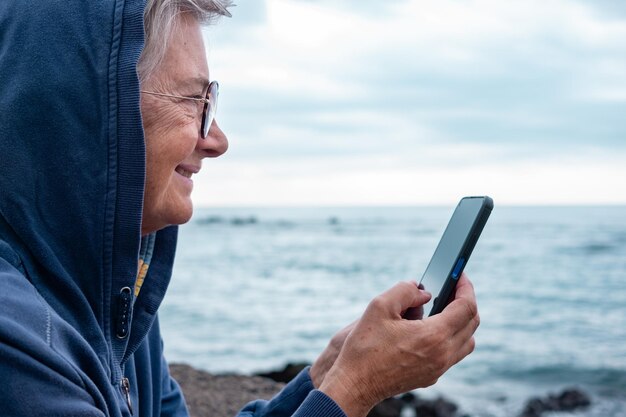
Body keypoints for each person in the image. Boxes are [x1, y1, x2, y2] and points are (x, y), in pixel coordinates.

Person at [0, 0, 479, 416]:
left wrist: (324, 375)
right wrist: (355, 387)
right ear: (88, 110)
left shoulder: (114, 290)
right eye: (194, 101)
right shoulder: (15, 337)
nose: (217, 140)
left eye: (211, 101)